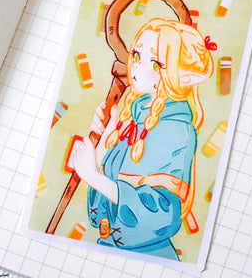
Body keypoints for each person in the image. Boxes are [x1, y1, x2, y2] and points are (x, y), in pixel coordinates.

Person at [73, 18, 214, 261]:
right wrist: (104, 140)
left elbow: (160, 214)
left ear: (187, 78)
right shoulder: (134, 115)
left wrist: (91, 175)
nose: (138, 68)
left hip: (148, 256)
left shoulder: (177, 131)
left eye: (156, 64)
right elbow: (110, 185)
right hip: (108, 247)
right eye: (137, 56)